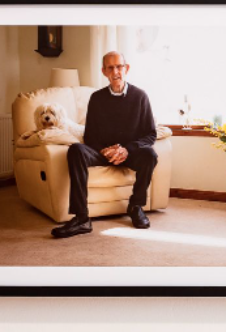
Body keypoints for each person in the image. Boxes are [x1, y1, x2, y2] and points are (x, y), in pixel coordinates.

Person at [51, 51, 159, 238]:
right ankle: (82, 217)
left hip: (129, 153)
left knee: (150, 155)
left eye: (119, 66)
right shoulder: (97, 98)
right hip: (103, 152)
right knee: (76, 150)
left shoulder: (140, 97)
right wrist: (106, 151)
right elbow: (90, 136)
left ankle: (136, 206)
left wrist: (126, 149)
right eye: (110, 67)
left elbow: (150, 134)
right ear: (104, 71)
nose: (115, 71)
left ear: (127, 68)